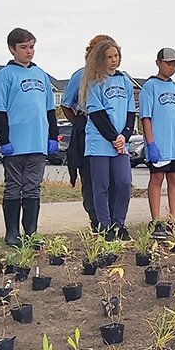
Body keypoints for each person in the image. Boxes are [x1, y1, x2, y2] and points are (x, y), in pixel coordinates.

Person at [0, 28, 59, 247]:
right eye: (23, 47)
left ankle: (30, 233)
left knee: (32, 187)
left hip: (37, 143)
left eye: (31, 47)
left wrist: (53, 136)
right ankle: (12, 233)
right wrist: (4, 139)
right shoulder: (5, 75)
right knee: (13, 186)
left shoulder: (41, 75)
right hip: (15, 143)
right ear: (12, 49)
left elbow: (49, 109)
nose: (29, 52)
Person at [81, 39, 136, 239]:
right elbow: (97, 114)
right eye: (109, 57)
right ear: (101, 60)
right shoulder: (94, 83)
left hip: (120, 143)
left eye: (116, 56)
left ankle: (119, 223)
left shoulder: (125, 82)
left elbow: (131, 113)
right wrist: (114, 137)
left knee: (123, 182)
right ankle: (105, 226)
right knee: (101, 185)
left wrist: (124, 136)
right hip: (100, 143)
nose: (114, 60)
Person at [63, 34, 113, 229]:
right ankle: (96, 219)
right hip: (88, 127)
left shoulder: (116, 76)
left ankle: (111, 217)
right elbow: (67, 104)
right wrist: (79, 123)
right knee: (91, 178)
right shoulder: (81, 75)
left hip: (111, 128)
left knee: (112, 178)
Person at [141, 47, 175, 234]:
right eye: (168, 63)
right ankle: (156, 221)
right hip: (159, 144)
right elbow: (146, 117)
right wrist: (151, 143)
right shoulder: (150, 87)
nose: (172, 67)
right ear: (158, 63)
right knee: (157, 177)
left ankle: (173, 219)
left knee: (174, 178)